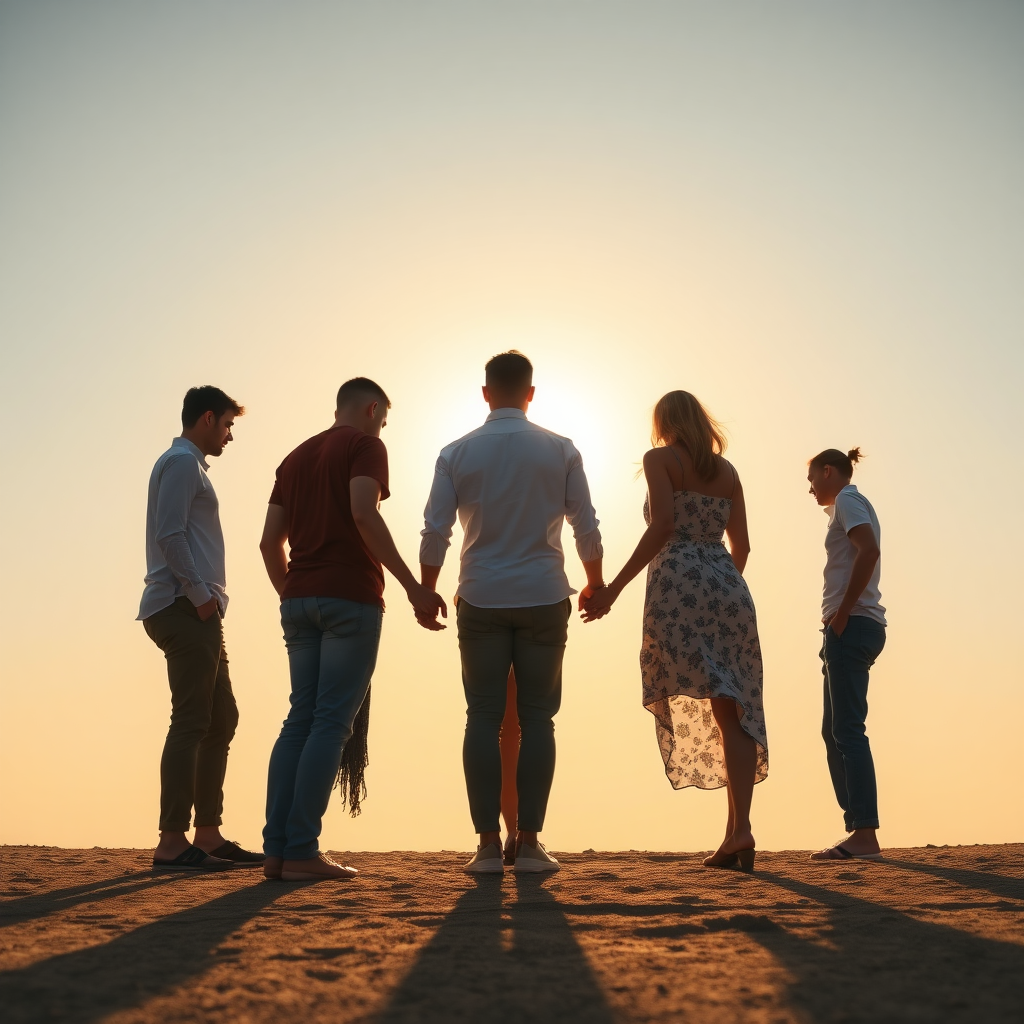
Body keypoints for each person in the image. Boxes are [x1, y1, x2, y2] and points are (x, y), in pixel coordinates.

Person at [418, 351, 604, 874]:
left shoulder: (455, 453)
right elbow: (584, 524)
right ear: (530, 393)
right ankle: (527, 844)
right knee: (538, 721)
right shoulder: (561, 449)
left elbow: (436, 530)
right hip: (545, 595)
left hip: (480, 596)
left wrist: (427, 588)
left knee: (482, 718)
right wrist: (595, 583)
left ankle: (483, 846)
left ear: (484, 393)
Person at [259, 378, 447, 882]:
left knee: (299, 719)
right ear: (371, 409)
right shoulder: (366, 446)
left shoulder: (295, 457)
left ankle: (276, 851)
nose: (382, 427)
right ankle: (301, 850)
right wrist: (413, 587)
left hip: (298, 598)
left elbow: (267, 544)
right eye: (383, 419)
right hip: (349, 599)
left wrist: (293, 593)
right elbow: (365, 512)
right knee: (329, 724)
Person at [583, 391, 767, 873]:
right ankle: (739, 831)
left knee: (705, 695)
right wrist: (722, 584)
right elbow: (741, 544)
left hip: (678, 580)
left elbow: (662, 525)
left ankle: (736, 835)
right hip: (729, 585)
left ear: (664, 423)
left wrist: (615, 588)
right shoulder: (729, 474)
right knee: (734, 710)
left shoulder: (660, 459)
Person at [140, 386, 263, 871]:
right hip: (182, 607)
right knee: (192, 719)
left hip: (196, 609)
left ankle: (207, 834)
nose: (231, 435)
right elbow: (169, 533)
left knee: (221, 718)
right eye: (229, 425)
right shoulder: (182, 464)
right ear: (208, 418)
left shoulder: (187, 465)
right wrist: (199, 595)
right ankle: (172, 841)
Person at [806, 448, 886, 861]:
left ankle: (864, 834)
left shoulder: (848, 501)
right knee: (834, 731)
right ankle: (857, 827)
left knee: (848, 731)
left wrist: (840, 615)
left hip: (851, 626)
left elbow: (868, 550)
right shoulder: (852, 503)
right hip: (853, 626)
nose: (810, 487)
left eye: (813, 478)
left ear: (829, 470)